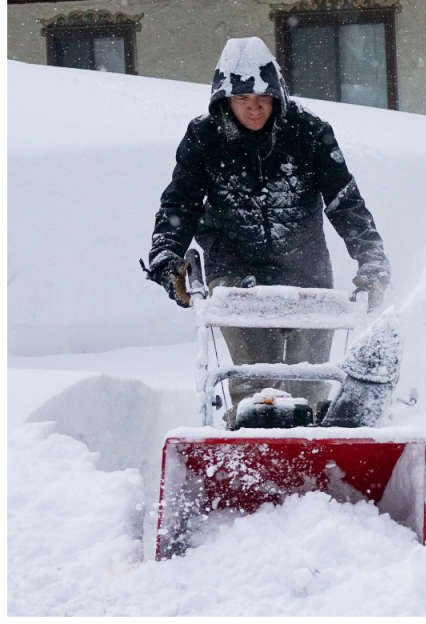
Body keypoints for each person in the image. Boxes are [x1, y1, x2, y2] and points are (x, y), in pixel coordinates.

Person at [143, 36, 390, 426]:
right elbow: (180, 204)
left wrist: (371, 260)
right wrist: (166, 255)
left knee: (308, 383)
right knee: (254, 385)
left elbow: (346, 203)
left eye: (262, 98)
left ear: (277, 95)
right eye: (242, 100)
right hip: (236, 273)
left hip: (305, 272)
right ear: (224, 100)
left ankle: (312, 458)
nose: (253, 107)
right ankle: (246, 447)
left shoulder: (309, 133)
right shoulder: (204, 138)